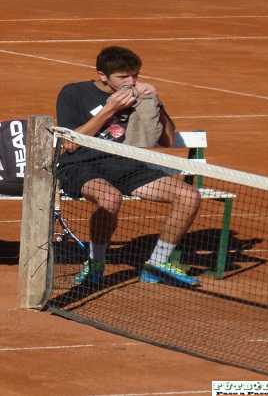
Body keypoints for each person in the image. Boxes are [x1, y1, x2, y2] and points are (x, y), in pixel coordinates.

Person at [55, 46, 201, 287]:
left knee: (188, 196)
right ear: (102, 75)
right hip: (81, 165)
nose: (131, 82)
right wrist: (110, 108)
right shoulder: (73, 93)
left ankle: (157, 264)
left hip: (126, 165)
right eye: (123, 77)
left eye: (135, 75)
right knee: (109, 199)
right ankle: (96, 265)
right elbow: (70, 144)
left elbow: (166, 140)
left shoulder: (139, 97)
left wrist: (156, 102)